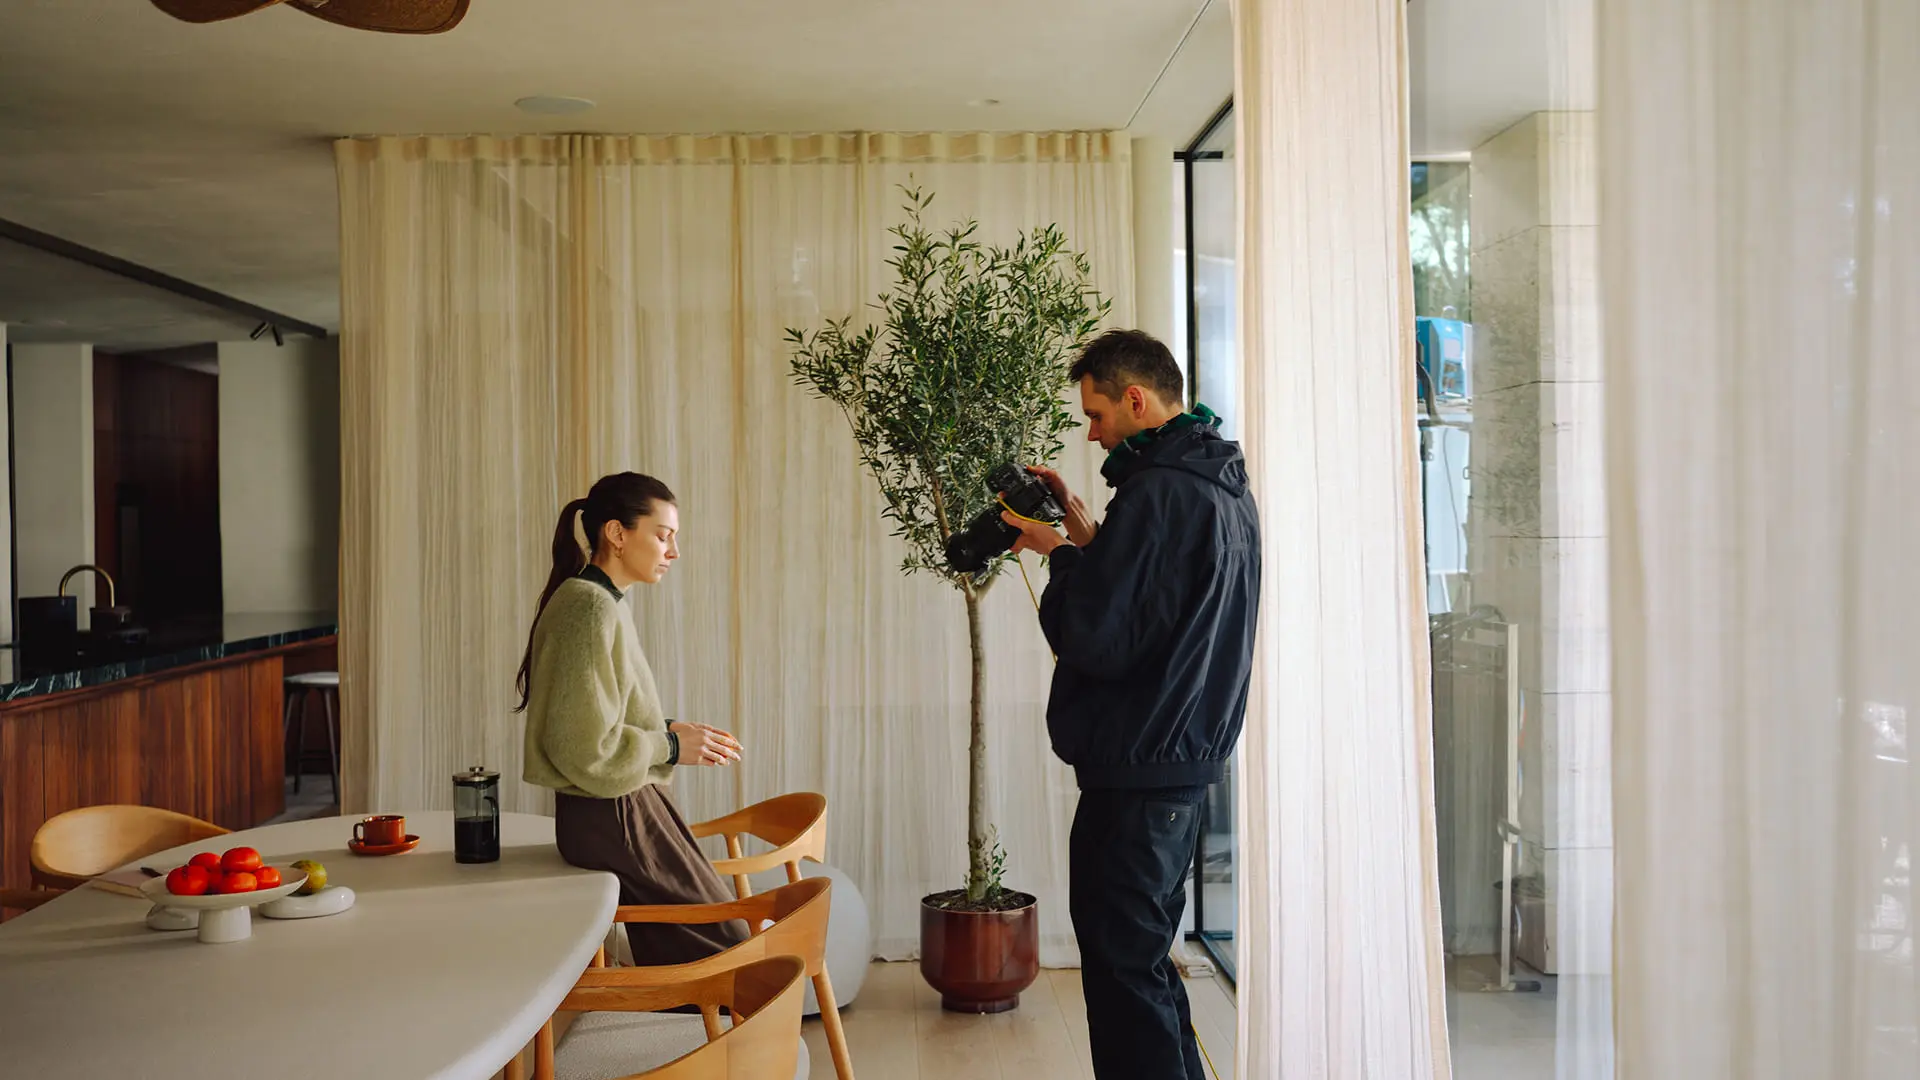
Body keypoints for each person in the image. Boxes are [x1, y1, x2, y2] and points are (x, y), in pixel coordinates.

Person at [1000, 329, 1261, 1080]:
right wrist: (1089, 535)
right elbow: (1159, 607)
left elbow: (1100, 636)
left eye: (1097, 414)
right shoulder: (1216, 484)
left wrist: (1060, 554)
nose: (1092, 432)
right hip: (1176, 760)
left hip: (1141, 769)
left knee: (1123, 972)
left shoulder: (1161, 492)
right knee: (1141, 962)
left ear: (1136, 399)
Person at [516, 471, 750, 964]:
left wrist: (669, 732)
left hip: (620, 805)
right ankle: (724, 1035)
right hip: (610, 811)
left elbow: (596, 719)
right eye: (663, 536)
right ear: (617, 534)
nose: (674, 551)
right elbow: (582, 746)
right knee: (730, 947)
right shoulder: (590, 608)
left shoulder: (601, 602)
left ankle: (701, 1029)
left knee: (723, 939)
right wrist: (667, 746)